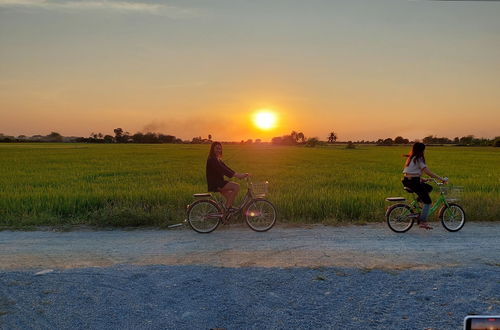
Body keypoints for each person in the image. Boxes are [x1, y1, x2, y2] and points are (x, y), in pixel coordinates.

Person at [402, 142, 447, 230]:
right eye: (424, 150)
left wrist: (422, 179)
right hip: (414, 182)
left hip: (408, 181)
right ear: (421, 150)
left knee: (429, 188)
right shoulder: (418, 158)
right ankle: (422, 221)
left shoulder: (411, 158)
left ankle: (418, 205)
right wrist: (441, 179)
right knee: (428, 202)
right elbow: (427, 171)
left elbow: (410, 173)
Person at [206, 142, 248, 212]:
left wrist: (238, 174)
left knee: (229, 197)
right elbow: (223, 169)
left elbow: (226, 168)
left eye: (220, 149)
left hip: (218, 182)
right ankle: (227, 209)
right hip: (216, 183)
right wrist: (237, 175)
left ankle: (224, 215)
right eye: (217, 148)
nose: (218, 150)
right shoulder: (212, 159)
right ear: (212, 149)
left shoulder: (217, 159)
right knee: (236, 187)